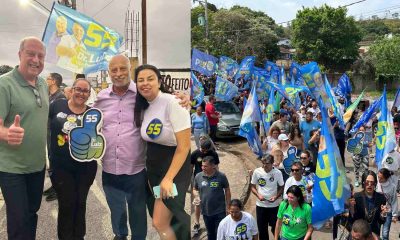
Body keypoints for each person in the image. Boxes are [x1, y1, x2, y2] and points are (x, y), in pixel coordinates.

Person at [94, 55, 148, 240]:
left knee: (138, 211)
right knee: (116, 210)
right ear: (109, 73)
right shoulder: (101, 98)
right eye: (114, 70)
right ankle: (120, 234)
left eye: (122, 69)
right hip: (109, 167)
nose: (118, 74)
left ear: (130, 69)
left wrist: (182, 100)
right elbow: (89, 120)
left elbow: (163, 103)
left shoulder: (142, 94)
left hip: (136, 169)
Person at [134, 64, 192, 240]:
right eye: (140, 80)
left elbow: (184, 146)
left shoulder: (172, 102)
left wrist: (168, 178)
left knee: (161, 222)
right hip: (155, 171)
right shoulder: (144, 105)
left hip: (174, 169)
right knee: (165, 220)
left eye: (150, 79)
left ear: (159, 81)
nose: (145, 83)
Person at [0, 37, 49, 240]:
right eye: (31, 53)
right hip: (12, 169)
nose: (36, 60)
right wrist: (6, 133)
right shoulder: (5, 85)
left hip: (37, 166)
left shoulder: (43, 83)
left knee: (31, 215)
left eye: (40, 56)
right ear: (20, 54)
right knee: (19, 220)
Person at [48, 78, 97, 239]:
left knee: (80, 203)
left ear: (89, 94)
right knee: (66, 203)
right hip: (61, 168)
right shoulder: (57, 105)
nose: (81, 93)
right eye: (78, 89)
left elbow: (98, 139)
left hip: (86, 168)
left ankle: (79, 236)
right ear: (71, 90)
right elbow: (42, 122)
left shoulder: (92, 114)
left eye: (85, 91)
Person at [194, 156, 230, 240]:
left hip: (219, 211)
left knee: (220, 234)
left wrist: (228, 205)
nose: (203, 168)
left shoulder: (221, 176)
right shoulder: (198, 176)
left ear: (213, 166)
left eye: (205, 166)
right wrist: (196, 196)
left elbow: (227, 190)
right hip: (206, 212)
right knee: (210, 234)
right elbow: (194, 189)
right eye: (202, 165)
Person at [44, 72, 66, 202]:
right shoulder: (49, 95)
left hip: (56, 133)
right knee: (51, 159)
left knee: (56, 159)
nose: (46, 81)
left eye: (48, 79)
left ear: (53, 81)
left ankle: (59, 189)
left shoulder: (60, 97)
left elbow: (60, 119)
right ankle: (54, 185)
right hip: (48, 131)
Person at [251, 154, 284, 240]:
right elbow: (252, 187)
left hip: (274, 206)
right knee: (262, 230)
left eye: (267, 163)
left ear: (272, 163)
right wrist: (258, 195)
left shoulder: (278, 173)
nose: (265, 165)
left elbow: (281, 187)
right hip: (260, 206)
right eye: (263, 163)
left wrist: (276, 197)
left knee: (275, 228)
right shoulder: (257, 172)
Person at [191, 138, 220, 235]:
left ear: (208, 149)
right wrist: (191, 181)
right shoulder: (195, 153)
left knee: (211, 199)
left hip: (211, 180)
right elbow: (190, 168)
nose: (202, 151)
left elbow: (216, 167)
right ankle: (197, 223)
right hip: (198, 181)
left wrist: (218, 179)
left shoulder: (213, 154)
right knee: (198, 202)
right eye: (201, 148)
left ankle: (215, 220)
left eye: (204, 150)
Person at [349, 170, 388, 236]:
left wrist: (383, 214)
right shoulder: (356, 197)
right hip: (359, 234)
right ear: (363, 183)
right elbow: (352, 220)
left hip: (373, 234)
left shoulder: (381, 198)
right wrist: (351, 208)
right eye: (367, 182)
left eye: (372, 183)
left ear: (375, 183)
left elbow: (381, 221)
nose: (369, 185)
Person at [376, 168, 398, 240]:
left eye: (381, 178)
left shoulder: (392, 187)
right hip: (377, 211)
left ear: (386, 178)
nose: (379, 179)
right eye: (378, 177)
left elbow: (394, 200)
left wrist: (394, 215)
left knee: (385, 234)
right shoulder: (376, 183)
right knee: (376, 233)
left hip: (388, 212)